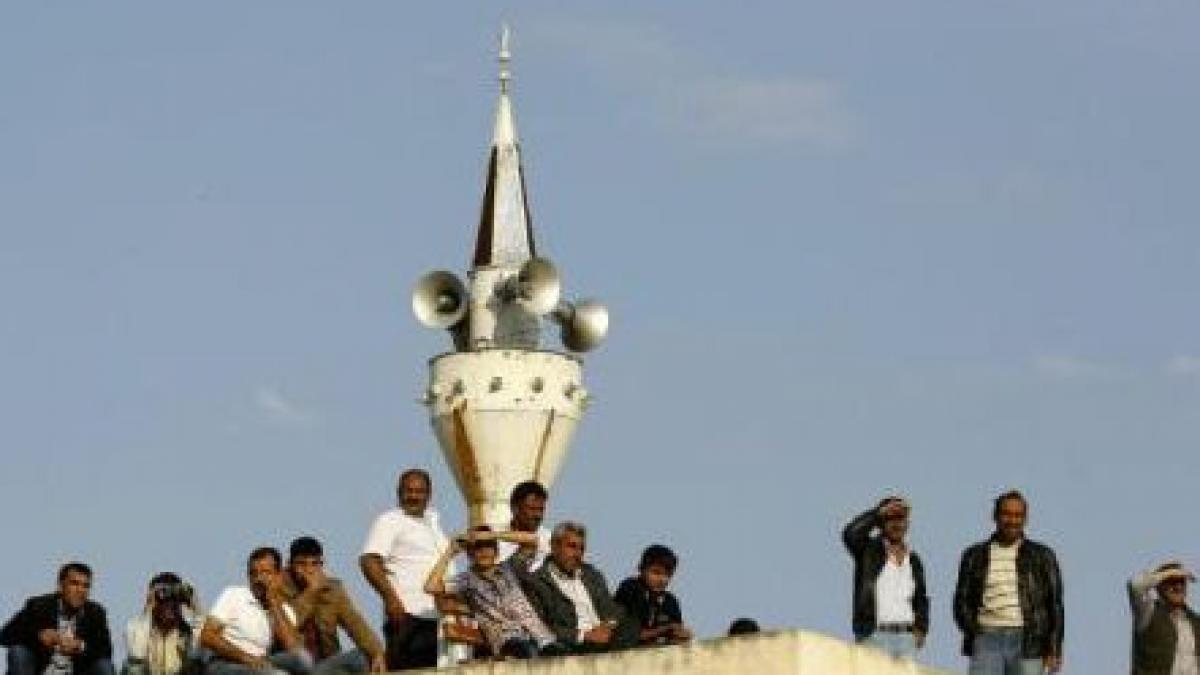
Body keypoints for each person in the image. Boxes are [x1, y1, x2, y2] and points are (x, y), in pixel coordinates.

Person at [953, 490, 1064, 675]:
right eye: (1006, 514)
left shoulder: (1042, 555)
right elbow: (961, 600)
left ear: (1025, 519)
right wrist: (975, 630)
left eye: (1018, 515)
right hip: (987, 638)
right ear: (995, 516)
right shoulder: (974, 555)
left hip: (1029, 641)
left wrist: (1054, 648)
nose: (1012, 520)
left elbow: (1055, 605)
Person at [359, 469, 453, 671]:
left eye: (419, 491)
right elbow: (369, 560)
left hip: (438, 618)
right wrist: (390, 599)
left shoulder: (434, 524)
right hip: (407, 616)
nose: (413, 496)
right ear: (399, 492)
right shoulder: (391, 520)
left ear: (429, 494)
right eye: (408, 491)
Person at [424, 527, 563, 659]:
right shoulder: (466, 580)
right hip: (509, 642)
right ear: (470, 553)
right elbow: (430, 586)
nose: (483, 551)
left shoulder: (510, 567)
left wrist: (493, 535)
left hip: (540, 636)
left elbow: (532, 540)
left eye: (488, 545)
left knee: (564, 654)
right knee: (529, 652)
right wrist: (450, 552)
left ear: (496, 551)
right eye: (478, 547)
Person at [523, 521, 637, 653]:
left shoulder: (592, 575)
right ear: (554, 546)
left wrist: (608, 625)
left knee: (632, 623)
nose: (577, 554)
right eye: (572, 546)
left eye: (581, 548)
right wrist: (584, 635)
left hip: (606, 638)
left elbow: (612, 610)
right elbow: (540, 627)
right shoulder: (537, 581)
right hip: (574, 645)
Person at [842, 496, 929, 658]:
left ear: (907, 523)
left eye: (901, 518)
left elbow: (921, 599)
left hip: (906, 639)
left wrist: (922, 629)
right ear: (881, 524)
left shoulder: (914, 560)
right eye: (890, 519)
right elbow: (850, 534)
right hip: (874, 635)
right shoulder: (868, 551)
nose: (896, 524)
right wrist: (877, 513)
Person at [281, 537, 385, 674]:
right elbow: (288, 623)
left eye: (314, 564)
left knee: (361, 656)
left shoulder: (333, 589)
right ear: (290, 564)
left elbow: (355, 623)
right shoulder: (278, 587)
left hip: (325, 665)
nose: (308, 570)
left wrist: (376, 652)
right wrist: (311, 592)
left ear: (321, 564)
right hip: (294, 668)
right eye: (301, 564)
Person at [200, 547, 307, 675]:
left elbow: (294, 649)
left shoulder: (285, 611)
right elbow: (207, 636)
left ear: (279, 576)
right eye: (253, 574)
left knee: (303, 659)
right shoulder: (234, 595)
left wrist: (273, 602)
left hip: (260, 663)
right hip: (226, 663)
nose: (259, 579)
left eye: (266, 573)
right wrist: (247, 658)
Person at [1, 562, 114, 675]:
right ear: (60, 586)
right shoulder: (39, 606)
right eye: (74, 584)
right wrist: (39, 636)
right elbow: (5, 635)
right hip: (40, 671)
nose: (80, 590)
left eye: (86, 586)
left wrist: (80, 646)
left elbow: (106, 650)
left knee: (104, 665)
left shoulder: (95, 613)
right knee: (18, 652)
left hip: (74, 671)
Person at [123, 573, 203, 675]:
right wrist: (148, 610)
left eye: (175, 599)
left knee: (206, 663)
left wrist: (195, 607)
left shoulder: (189, 631)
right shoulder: (137, 628)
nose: (170, 605)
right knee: (131, 666)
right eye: (163, 600)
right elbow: (136, 654)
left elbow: (201, 651)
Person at [1128, 561, 1200, 675]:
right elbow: (1135, 586)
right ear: (1159, 587)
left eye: (1182, 582)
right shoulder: (1148, 613)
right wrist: (1163, 575)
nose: (1178, 587)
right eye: (1172, 582)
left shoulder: (1196, 622)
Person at [613, 544, 692, 647]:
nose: (662, 580)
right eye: (656, 573)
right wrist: (666, 629)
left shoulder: (670, 601)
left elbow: (675, 634)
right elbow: (631, 635)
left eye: (667, 575)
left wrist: (681, 635)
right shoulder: (631, 588)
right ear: (641, 569)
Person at [498, 481, 551, 569]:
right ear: (515, 508)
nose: (538, 515)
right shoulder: (495, 542)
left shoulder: (550, 541)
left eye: (541, 509)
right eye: (532, 509)